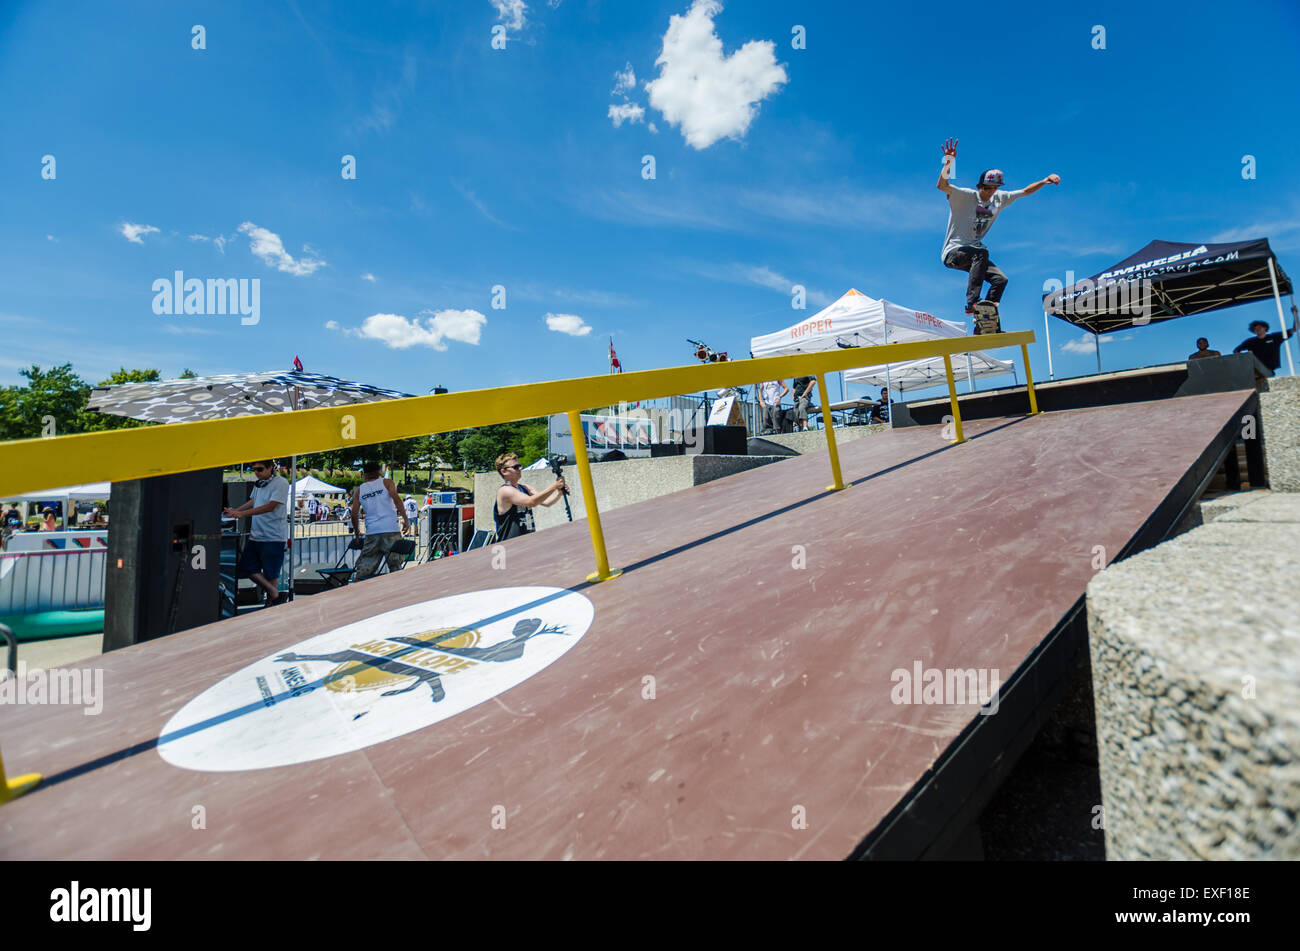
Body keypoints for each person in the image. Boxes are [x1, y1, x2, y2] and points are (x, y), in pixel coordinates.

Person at [936, 137, 1060, 320]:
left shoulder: (1000, 198)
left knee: (1000, 280)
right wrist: (949, 162)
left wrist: (1044, 180)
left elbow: (1025, 191)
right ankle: (972, 303)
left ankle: (985, 320)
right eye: (987, 188)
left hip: (975, 256)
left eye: (994, 188)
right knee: (981, 252)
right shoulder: (965, 196)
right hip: (954, 252)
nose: (990, 192)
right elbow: (942, 186)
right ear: (980, 186)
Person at [223, 459, 290, 606]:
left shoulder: (281, 483)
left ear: (271, 468)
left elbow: (271, 506)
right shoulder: (259, 484)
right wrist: (236, 511)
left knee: (271, 572)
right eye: (253, 470)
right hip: (256, 535)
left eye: (259, 469)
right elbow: (254, 500)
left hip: (274, 537)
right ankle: (274, 594)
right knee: (246, 567)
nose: (256, 473)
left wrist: (243, 514)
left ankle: (271, 603)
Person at [351, 461, 411, 579]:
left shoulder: (359, 490)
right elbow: (397, 499)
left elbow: (354, 513)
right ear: (379, 472)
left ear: (365, 474)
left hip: (372, 532)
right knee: (395, 566)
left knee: (365, 568)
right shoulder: (387, 482)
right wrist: (405, 519)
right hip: (390, 530)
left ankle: (357, 590)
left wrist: (357, 532)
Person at [494, 452, 566, 541]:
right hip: (510, 544)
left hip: (527, 541)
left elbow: (547, 503)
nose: (520, 469)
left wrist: (559, 493)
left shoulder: (525, 488)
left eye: (520, 466)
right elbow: (531, 502)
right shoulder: (505, 490)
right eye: (515, 467)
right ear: (504, 471)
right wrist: (554, 486)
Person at [1233, 306, 1299, 378]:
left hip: (1268, 369)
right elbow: (1236, 350)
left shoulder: (1275, 337)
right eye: (1255, 329)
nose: (1257, 329)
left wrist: (1295, 314)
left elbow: (1295, 329)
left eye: (1259, 327)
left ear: (1265, 328)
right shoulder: (1250, 341)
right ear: (1253, 331)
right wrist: (1244, 360)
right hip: (1254, 370)